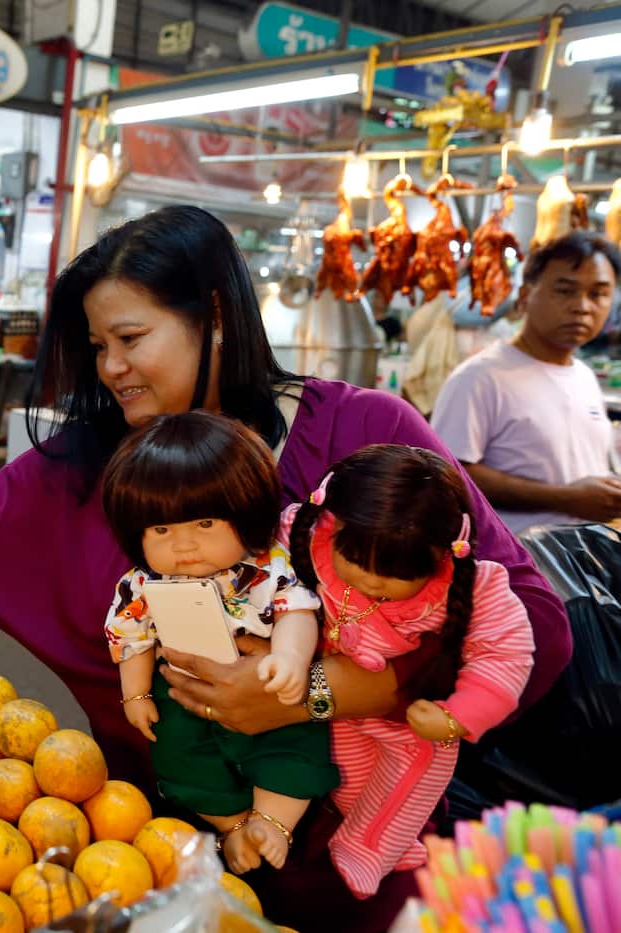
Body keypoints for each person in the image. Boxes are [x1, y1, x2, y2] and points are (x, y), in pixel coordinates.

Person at [0, 205, 569, 931]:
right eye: (96, 346)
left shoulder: (362, 438)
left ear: (211, 315)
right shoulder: (77, 478)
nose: (111, 367)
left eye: (132, 338)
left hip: (364, 876)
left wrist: (314, 693)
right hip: (153, 872)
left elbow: (532, 624)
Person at [286, 445, 533, 898]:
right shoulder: (306, 538)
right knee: (350, 789)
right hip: (330, 716)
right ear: (333, 525)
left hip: (405, 726)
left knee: (407, 781)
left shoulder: (472, 587)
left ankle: (369, 849)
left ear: (441, 555)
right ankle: (389, 846)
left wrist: (460, 714)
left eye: (397, 573)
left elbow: (507, 651)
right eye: (357, 560)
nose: (372, 581)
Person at [102, 411, 337, 875]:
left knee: (294, 750)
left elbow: (297, 609)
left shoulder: (269, 567)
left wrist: (289, 658)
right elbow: (131, 639)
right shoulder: (142, 585)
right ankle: (232, 827)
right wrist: (136, 693)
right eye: (162, 530)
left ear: (247, 513)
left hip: (269, 693)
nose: (184, 545)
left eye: (205, 524)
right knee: (179, 758)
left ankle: (273, 823)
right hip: (185, 696)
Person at [431, 231, 621, 534]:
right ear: (524, 297)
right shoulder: (480, 378)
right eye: (565, 290)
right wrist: (567, 499)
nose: (582, 307)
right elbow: (449, 474)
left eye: (598, 294)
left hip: (583, 564)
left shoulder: (583, 376)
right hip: (514, 570)